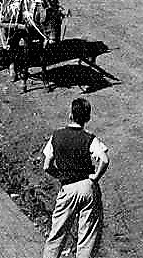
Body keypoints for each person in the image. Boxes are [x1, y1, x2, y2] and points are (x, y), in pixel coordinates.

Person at [41, 96, 109, 258]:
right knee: (87, 237)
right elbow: (104, 159)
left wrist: (60, 175)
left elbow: (47, 166)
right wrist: (95, 177)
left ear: (70, 115)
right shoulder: (90, 138)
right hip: (87, 187)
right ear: (88, 118)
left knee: (57, 234)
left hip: (68, 187)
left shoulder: (56, 136)